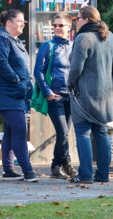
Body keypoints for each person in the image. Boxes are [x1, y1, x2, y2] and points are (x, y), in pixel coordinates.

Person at [68, 5, 113, 183]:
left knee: (82, 133)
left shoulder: (84, 37)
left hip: (85, 94)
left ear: (87, 20)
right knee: (101, 133)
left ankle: (85, 175)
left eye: (78, 18)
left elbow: (76, 68)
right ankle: (103, 175)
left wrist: (70, 83)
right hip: (106, 94)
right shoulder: (109, 35)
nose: (76, 22)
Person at [0, 9, 38, 182]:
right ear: (9, 22)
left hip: (16, 93)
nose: (23, 24)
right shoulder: (1, 39)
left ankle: (8, 170)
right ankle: (28, 171)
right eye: (20, 21)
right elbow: (0, 63)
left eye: (23, 21)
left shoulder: (14, 40)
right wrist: (16, 80)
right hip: (7, 93)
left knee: (10, 132)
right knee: (19, 131)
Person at [34, 13, 78, 179]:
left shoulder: (74, 46)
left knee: (63, 134)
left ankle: (55, 166)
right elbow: (38, 72)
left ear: (69, 27)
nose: (57, 28)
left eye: (61, 25)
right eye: (55, 25)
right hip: (56, 97)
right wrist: (48, 93)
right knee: (64, 132)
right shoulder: (48, 46)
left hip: (71, 97)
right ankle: (67, 164)